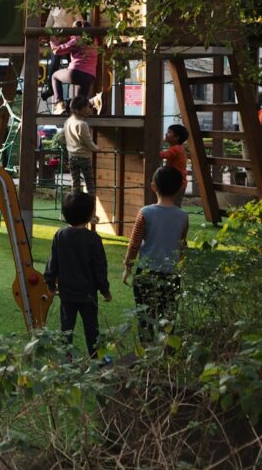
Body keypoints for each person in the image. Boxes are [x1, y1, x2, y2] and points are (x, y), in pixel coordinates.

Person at [122, 166, 189, 343]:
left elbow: (135, 243)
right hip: (171, 275)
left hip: (146, 273)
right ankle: (166, 355)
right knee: (168, 320)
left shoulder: (145, 213)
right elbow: (181, 246)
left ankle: (146, 357)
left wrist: (127, 266)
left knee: (145, 318)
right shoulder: (183, 216)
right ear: (180, 188)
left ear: (153, 186)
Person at [43, 192, 112, 358]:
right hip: (88, 294)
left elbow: (53, 263)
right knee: (92, 327)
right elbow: (100, 267)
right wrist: (105, 290)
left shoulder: (60, 235)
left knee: (66, 328)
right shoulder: (93, 239)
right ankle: (97, 357)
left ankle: (65, 359)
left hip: (67, 293)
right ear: (89, 215)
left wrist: (50, 284)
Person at [50, 18, 98, 115]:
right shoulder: (94, 42)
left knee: (55, 76)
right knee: (78, 105)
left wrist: (52, 39)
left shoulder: (77, 40)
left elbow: (57, 50)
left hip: (76, 72)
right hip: (90, 76)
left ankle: (59, 104)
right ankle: (95, 101)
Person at [64, 96, 99, 196]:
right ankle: (89, 206)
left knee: (75, 184)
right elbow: (89, 142)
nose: (90, 109)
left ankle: (74, 203)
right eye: (88, 107)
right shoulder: (82, 124)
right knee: (90, 184)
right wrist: (97, 149)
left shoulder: (68, 122)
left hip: (72, 157)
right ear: (79, 110)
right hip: (83, 157)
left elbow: (62, 135)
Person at [41, 6, 76, 101]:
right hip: (56, 36)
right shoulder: (53, 8)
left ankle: (72, 89)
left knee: (72, 63)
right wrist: (45, 35)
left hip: (70, 35)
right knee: (54, 64)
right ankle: (51, 88)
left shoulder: (72, 5)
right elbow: (49, 24)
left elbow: (79, 21)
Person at [159, 124, 189, 206]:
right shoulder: (179, 148)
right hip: (179, 182)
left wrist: (149, 152)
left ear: (176, 137)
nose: (166, 134)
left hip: (177, 183)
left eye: (169, 133)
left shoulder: (175, 149)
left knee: (173, 205)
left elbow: (163, 155)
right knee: (174, 205)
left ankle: (175, 218)